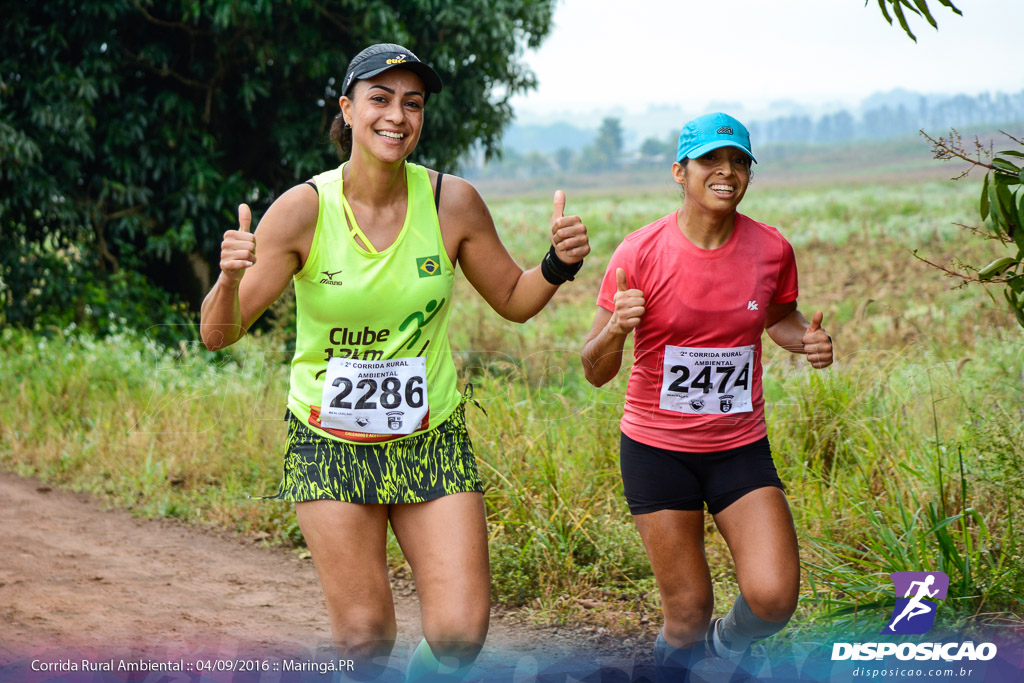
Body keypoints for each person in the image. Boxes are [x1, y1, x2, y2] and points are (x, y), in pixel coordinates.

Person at [199, 43, 589, 681]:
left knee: (460, 634)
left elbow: (515, 300)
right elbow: (221, 334)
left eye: (413, 103)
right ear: (347, 110)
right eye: (379, 99)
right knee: (365, 639)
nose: (397, 116)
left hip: (429, 436)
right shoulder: (304, 209)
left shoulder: (451, 202)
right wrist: (228, 279)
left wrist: (557, 264)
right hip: (329, 440)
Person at [580, 112, 833, 681]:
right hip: (656, 451)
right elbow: (593, 369)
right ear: (680, 172)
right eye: (711, 161)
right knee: (687, 614)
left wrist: (807, 341)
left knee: (773, 598)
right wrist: (617, 329)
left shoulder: (771, 249)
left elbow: (780, 319)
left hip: (739, 448)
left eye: (739, 161)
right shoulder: (639, 252)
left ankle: (728, 645)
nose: (727, 172)